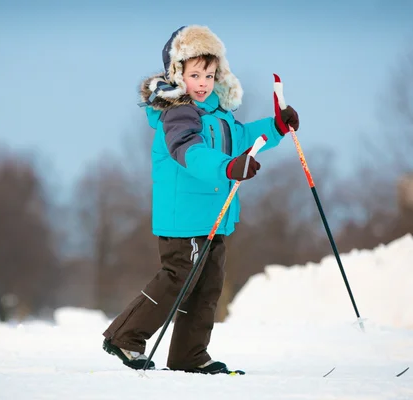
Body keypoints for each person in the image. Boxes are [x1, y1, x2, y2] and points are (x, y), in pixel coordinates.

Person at [101, 25, 300, 375]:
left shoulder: (218, 112)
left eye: (209, 74)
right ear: (177, 73)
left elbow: (244, 137)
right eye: (195, 74)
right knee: (177, 278)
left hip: (214, 216)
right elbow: (189, 152)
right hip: (184, 216)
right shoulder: (177, 113)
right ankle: (125, 336)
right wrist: (228, 167)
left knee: (208, 287)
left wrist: (277, 126)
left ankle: (189, 355)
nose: (203, 82)